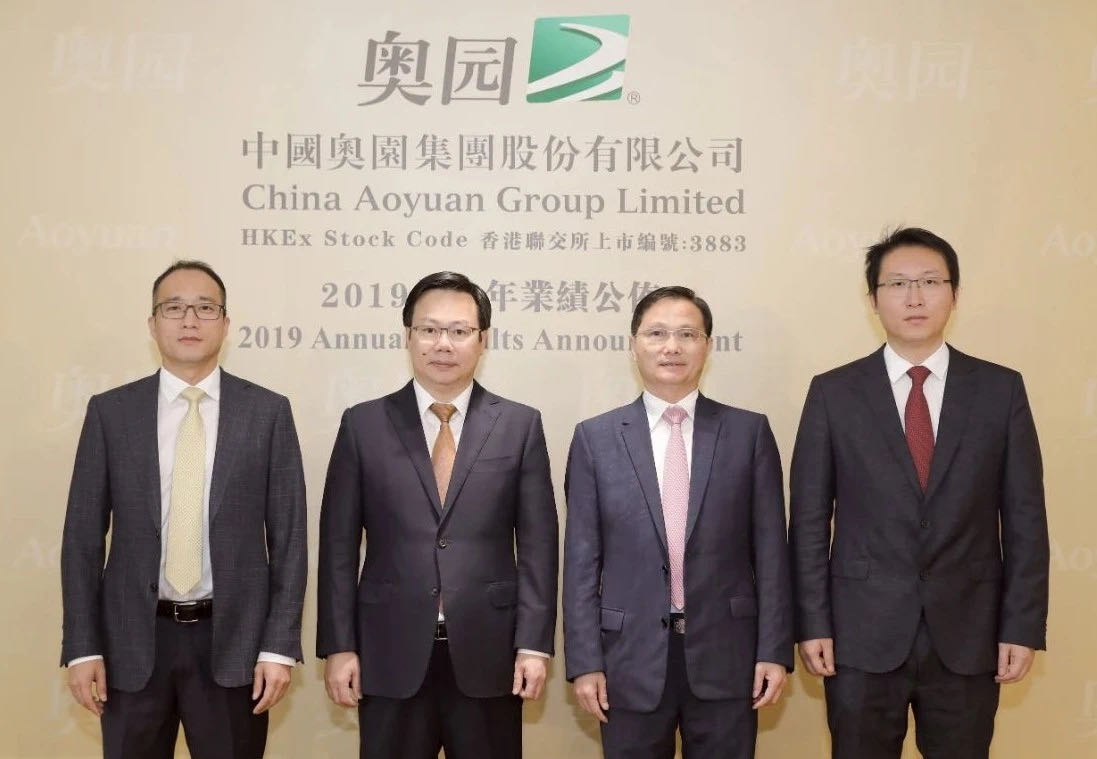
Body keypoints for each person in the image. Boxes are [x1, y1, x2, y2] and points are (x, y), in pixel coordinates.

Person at [789, 227, 1049, 758]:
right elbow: (810, 521)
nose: (914, 297)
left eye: (930, 282)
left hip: (970, 634)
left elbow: (1026, 518)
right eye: (898, 284)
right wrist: (812, 623)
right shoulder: (834, 392)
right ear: (873, 298)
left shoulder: (1000, 390)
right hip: (859, 635)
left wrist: (1021, 626)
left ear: (955, 293)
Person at [60, 260, 308, 759]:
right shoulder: (111, 412)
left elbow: (290, 541)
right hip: (131, 643)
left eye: (205, 308)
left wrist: (278, 646)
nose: (190, 320)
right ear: (152, 324)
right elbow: (82, 539)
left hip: (234, 645)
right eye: (174, 308)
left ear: (226, 323)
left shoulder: (267, 412)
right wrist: (83, 646)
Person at [317, 271, 558, 759]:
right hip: (389, 652)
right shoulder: (363, 424)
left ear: (483, 339)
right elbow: (337, 548)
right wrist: (340, 646)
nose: (442, 344)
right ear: (408, 336)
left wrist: (534, 645)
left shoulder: (519, 425)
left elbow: (539, 547)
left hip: (491, 653)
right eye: (429, 329)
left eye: (459, 331)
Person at [563, 286, 792, 759]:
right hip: (627, 661)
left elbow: (771, 554)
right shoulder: (595, 439)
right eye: (657, 334)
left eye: (687, 334)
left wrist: (773, 650)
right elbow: (582, 563)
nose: (672, 346)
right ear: (633, 345)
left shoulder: (748, 433)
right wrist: (585, 661)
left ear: (707, 346)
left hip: (729, 656)